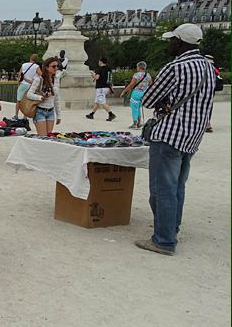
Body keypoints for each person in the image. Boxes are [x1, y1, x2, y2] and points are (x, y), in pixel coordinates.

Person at [135, 23, 215, 256]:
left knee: (162, 189)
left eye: (172, 40)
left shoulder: (176, 66)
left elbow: (148, 99)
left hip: (169, 134)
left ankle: (164, 240)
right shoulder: (208, 67)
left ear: (179, 42)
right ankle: (171, 228)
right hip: (193, 135)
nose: (169, 43)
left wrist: (162, 102)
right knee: (178, 186)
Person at [26, 56, 62, 136]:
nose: (56, 68)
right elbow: (29, 94)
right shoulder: (39, 79)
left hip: (51, 112)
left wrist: (58, 115)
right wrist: (41, 97)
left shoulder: (56, 79)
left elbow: (56, 98)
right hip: (40, 111)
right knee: (43, 137)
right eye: (53, 66)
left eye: (57, 66)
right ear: (46, 67)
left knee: (49, 137)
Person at [120, 61, 151, 129]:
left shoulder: (136, 75)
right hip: (144, 93)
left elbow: (131, 84)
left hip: (136, 93)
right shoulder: (148, 75)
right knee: (138, 108)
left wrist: (124, 91)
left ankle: (134, 123)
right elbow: (150, 84)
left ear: (139, 67)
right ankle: (139, 122)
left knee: (134, 108)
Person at [86, 57, 117, 121]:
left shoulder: (99, 69)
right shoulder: (109, 69)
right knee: (97, 101)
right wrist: (111, 87)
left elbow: (97, 78)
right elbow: (110, 79)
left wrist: (93, 74)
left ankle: (111, 114)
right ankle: (92, 114)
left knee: (102, 102)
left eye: (99, 61)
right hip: (107, 87)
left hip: (100, 88)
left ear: (101, 61)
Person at [15, 54, 41, 119]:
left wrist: (18, 83)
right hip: (31, 85)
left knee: (18, 100)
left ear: (30, 58)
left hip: (23, 84)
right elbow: (41, 75)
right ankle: (25, 116)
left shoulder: (24, 65)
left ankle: (16, 115)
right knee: (27, 101)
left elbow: (19, 74)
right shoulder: (36, 66)